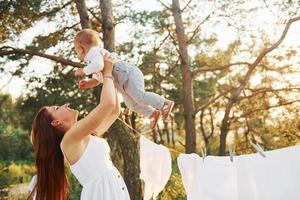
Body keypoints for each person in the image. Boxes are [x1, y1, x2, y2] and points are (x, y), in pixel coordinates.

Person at [28, 59, 130, 200]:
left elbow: (114, 110)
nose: (65, 105)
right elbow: (107, 104)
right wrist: (107, 73)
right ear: (55, 122)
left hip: (113, 191)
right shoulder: (69, 140)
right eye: (57, 108)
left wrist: (106, 76)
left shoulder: (85, 136)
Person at [73, 29, 174, 129]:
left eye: (76, 50)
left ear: (80, 48)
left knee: (140, 97)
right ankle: (152, 114)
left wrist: (83, 70)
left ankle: (164, 103)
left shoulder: (93, 52)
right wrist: (90, 83)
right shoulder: (93, 59)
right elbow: (99, 77)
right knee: (132, 105)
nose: (77, 53)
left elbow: (99, 65)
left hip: (128, 74)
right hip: (123, 83)